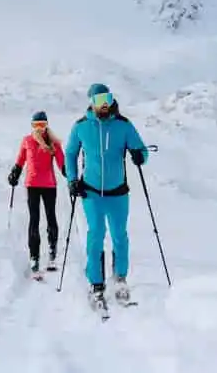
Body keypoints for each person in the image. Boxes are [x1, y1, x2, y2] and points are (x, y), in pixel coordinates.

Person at [64, 83, 149, 307]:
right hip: (91, 192)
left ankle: (120, 278)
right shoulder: (81, 127)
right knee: (96, 235)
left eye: (107, 99)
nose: (104, 104)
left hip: (118, 193)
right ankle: (96, 283)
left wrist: (140, 156)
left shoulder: (123, 125)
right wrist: (72, 180)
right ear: (91, 102)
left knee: (120, 235)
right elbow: (70, 153)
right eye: (99, 100)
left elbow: (141, 148)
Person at [8, 110, 65, 274]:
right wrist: (15, 172)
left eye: (42, 125)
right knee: (34, 220)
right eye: (36, 125)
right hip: (32, 185)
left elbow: (61, 163)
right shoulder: (27, 141)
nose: (39, 128)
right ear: (32, 126)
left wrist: (69, 174)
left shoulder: (53, 143)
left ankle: (53, 248)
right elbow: (20, 160)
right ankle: (34, 256)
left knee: (50, 217)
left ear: (47, 125)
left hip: (49, 185)